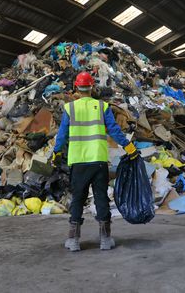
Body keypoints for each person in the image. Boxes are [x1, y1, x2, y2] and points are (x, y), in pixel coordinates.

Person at [52, 71, 137, 252]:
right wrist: (129, 147)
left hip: (78, 161)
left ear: (76, 87)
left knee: (78, 199)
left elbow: (61, 135)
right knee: (101, 198)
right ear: (92, 87)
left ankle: (74, 241)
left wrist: (56, 152)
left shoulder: (70, 108)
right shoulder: (102, 106)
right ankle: (105, 239)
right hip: (98, 160)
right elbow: (114, 130)